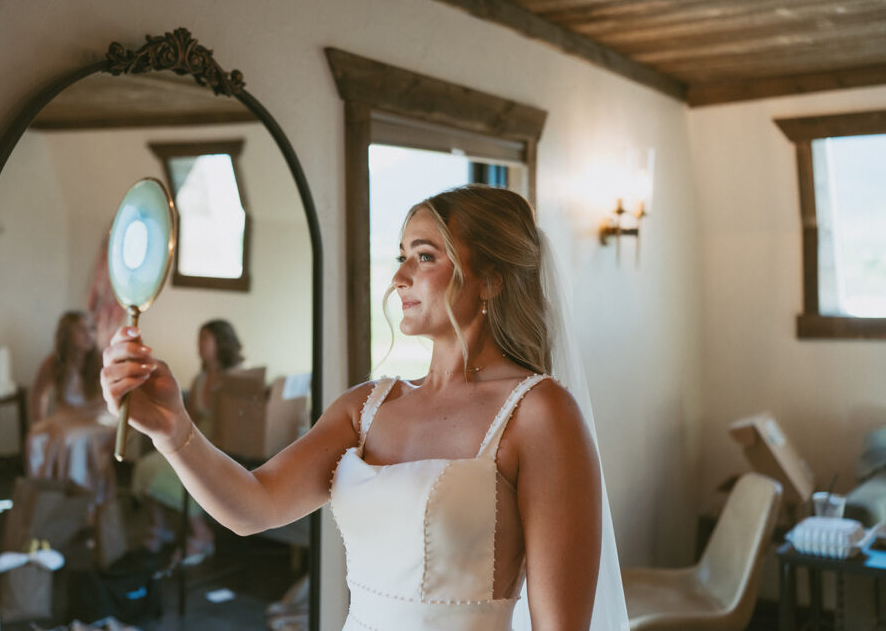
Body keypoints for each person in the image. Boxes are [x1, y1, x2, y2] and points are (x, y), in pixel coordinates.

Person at [102, 184, 627, 630]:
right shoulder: (365, 406)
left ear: (490, 278)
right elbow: (252, 507)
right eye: (402, 256)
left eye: (425, 256)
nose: (399, 278)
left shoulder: (539, 413)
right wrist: (172, 430)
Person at [131, 319, 245, 564]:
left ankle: (201, 535)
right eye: (199, 339)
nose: (199, 345)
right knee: (147, 465)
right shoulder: (200, 379)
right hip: (195, 440)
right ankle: (159, 526)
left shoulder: (236, 380)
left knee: (187, 473)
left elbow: (236, 425)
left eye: (205, 339)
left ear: (220, 343)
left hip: (220, 447)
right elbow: (188, 419)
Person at [27, 311, 116, 505]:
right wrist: (39, 420)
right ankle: (44, 497)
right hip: (67, 417)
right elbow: (38, 393)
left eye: (92, 329)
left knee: (70, 439)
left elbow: (122, 402)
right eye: (82, 330)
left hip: (99, 418)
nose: (89, 335)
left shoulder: (102, 362)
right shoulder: (54, 363)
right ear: (67, 335)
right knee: (36, 437)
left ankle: (80, 502)